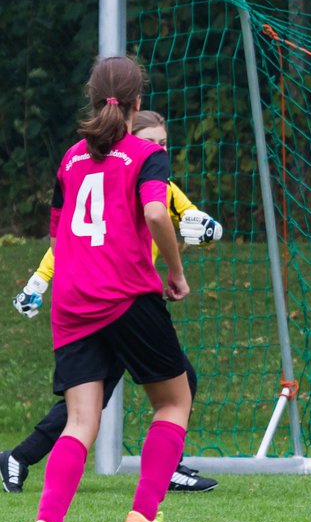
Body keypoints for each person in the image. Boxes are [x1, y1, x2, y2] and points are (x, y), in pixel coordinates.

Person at [27, 56, 197, 522]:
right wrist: (175, 270)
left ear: (94, 96)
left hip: (72, 302)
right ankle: (143, 516)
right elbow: (154, 211)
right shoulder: (146, 153)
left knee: (81, 421)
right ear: (137, 102)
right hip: (124, 295)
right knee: (174, 400)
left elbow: (58, 233)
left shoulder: (70, 159)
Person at [2, 110, 221, 495]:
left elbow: (189, 216)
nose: (159, 149)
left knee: (92, 404)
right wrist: (38, 282)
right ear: (131, 142)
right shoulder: (118, 179)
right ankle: (159, 477)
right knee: (114, 400)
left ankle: (22, 460)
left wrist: (206, 229)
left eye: (164, 143)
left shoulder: (163, 185)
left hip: (126, 303)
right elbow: (66, 245)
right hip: (118, 303)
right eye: (151, 142)